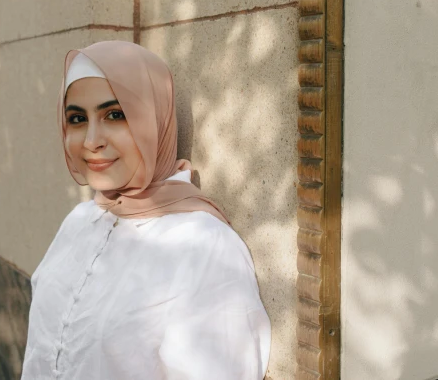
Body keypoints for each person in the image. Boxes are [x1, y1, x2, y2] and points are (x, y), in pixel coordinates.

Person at [20, 41, 271, 380]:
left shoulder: (202, 245)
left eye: (115, 114)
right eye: (77, 118)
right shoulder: (81, 221)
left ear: (154, 120)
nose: (91, 139)